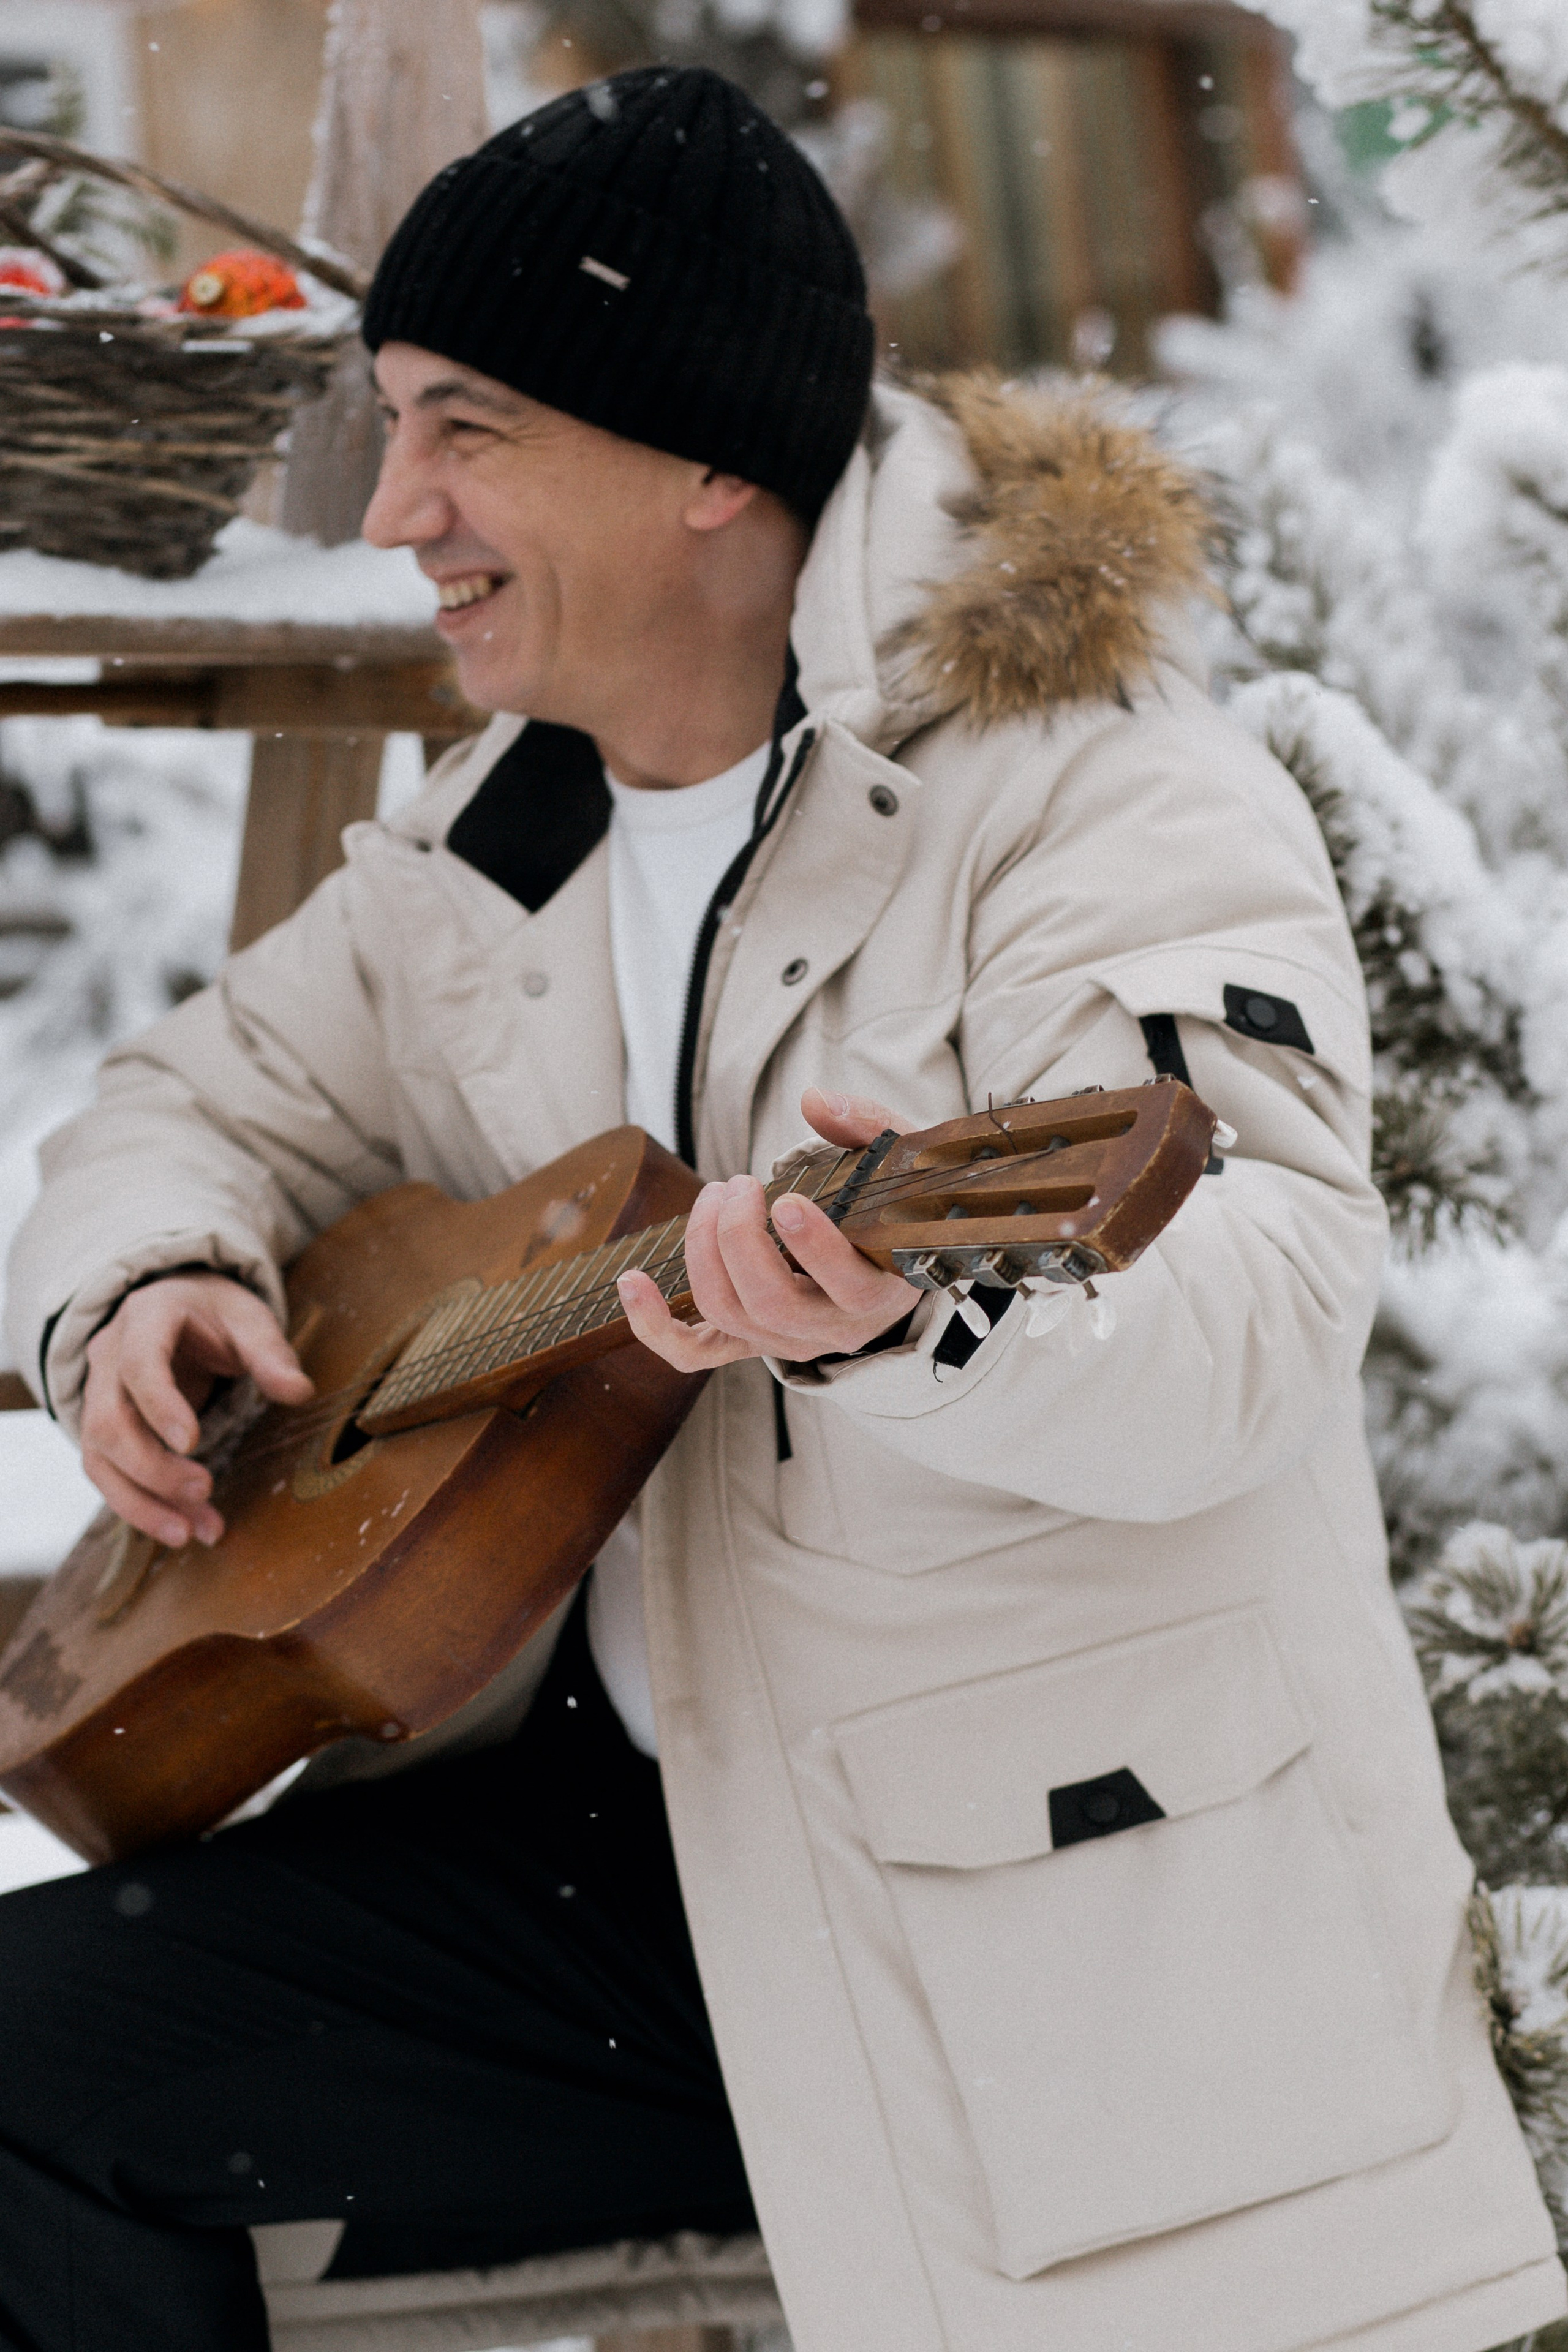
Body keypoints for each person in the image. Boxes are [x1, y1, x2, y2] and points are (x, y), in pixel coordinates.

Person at [1, 62, 1561, 2352]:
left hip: (1034, 1915)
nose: (394, 508)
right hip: (629, 1867)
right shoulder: (502, 840)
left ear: (711, 459)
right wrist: (146, 1282)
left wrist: (910, 1327)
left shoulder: (1092, 790)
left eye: (465, 431)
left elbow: (1246, 1326)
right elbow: (183, 1100)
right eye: (392, 423)